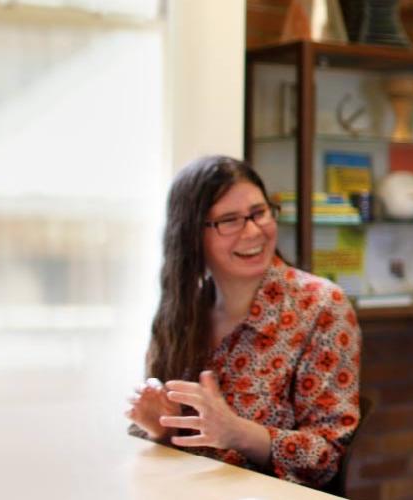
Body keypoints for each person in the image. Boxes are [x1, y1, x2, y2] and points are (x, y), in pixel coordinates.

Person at [126, 155, 362, 488]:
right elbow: (159, 442)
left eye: (259, 213)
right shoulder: (182, 310)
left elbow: (327, 458)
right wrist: (160, 427)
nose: (253, 231)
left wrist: (238, 433)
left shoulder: (320, 305)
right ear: (192, 234)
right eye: (229, 220)